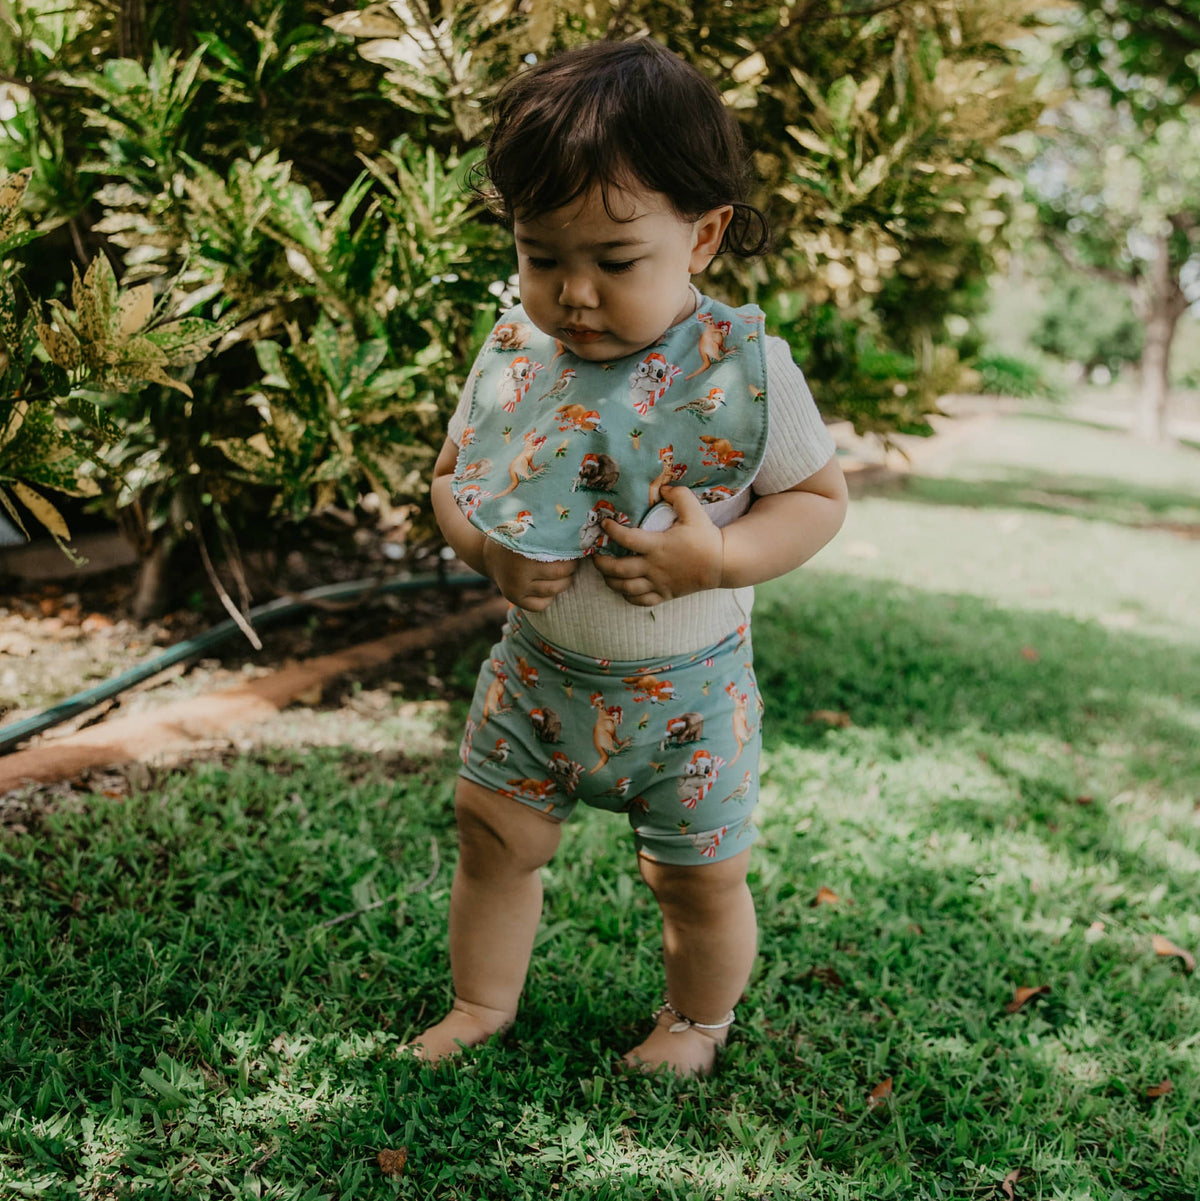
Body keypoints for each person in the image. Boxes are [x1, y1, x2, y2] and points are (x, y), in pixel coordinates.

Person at [414, 38, 847, 1076]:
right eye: (541, 255)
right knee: (491, 835)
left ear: (702, 239)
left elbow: (820, 501)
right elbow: (449, 476)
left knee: (696, 879)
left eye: (615, 262)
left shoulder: (745, 369)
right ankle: (481, 1001)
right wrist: (487, 551)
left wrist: (722, 556)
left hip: (689, 700)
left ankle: (696, 1023)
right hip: (537, 675)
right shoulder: (516, 355)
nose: (573, 293)